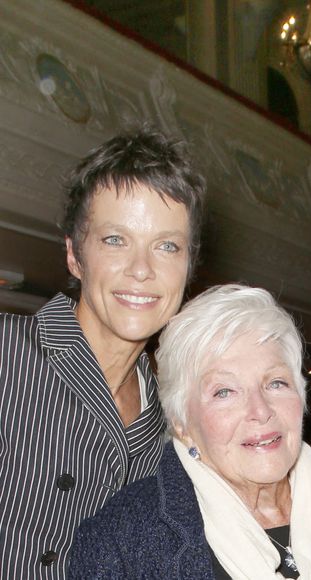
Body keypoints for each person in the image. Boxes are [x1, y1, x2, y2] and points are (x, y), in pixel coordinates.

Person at [0, 126, 205, 578]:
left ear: (188, 266)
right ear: (74, 256)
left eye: (167, 246)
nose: (141, 269)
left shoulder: (172, 423)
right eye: (116, 240)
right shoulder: (6, 355)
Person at [68, 284, 311, 579]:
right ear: (182, 423)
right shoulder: (121, 540)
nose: (261, 410)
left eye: (276, 383)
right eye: (224, 392)